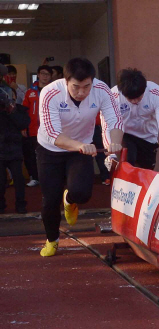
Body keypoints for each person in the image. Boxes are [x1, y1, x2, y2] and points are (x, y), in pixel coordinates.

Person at [37, 58, 123, 257]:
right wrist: (81, 146)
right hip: (50, 149)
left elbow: (114, 120)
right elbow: (53, 135)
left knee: (82, 193)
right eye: (76, 87)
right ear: (66, 81)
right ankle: (52, 240)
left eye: (87, 87)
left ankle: (70, 199)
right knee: (50, 200)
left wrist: (115, 143)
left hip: (81, 148)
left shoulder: (102, 90)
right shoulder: (49, 93)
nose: (82, 92)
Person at [111, 68, 159, 169]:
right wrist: (111, 151)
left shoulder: (158, 94)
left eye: (138, 97)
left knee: (146, 172)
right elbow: (108, 125)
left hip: (148, 138)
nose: (135, 101)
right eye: (130, 99)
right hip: (125, 134)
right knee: (128, 164)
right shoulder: (113, 96)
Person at [0, 81, 30, 214]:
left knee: (18, 179)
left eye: (10, 95)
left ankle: (21, 204)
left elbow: (23, 123)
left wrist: (12, 111)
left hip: (15, 150)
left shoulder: (19, 109)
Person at [21, 65, 53, 187]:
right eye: (43, 73)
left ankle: (48, 178)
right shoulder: (30, 92)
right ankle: (34, 177)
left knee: (48, 155)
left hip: (49, 130)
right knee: (30, 155)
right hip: (32, 129)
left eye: (47, 74)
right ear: (38, 75)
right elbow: (24, 111)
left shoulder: (53, 90)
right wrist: (24, 127)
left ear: (51, 76)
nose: (45, 76)